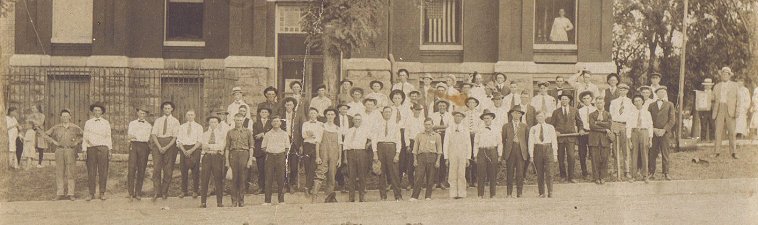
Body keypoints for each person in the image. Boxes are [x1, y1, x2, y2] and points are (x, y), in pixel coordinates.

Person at [42, 109, 83, 200]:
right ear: (60, 117)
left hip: (70, 151)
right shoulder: (56, 127)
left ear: (70, 117)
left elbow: (83, 136)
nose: (65, 118)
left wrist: (77, 142)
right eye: (63, 116)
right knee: (59, 172)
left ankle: (71, 193)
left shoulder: (75, 127)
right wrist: (53, 142)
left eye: (66, 116)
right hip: (59, 151)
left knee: (70, 172)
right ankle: (60, 193)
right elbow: (45, 135)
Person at [150, 101, 181, 201]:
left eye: (169, 108)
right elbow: (154, 134)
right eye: (165, 108)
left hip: (170, 145)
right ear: (163, 109)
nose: (167, 110)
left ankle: (164, 192)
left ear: (172, 109)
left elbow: (175, 137)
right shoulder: (158, 121)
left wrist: (166, 147)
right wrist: (159, 146)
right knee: (156, 169)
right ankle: (156, 192)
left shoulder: (176, 121)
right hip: (158, 144)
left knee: (168, 170)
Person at [83, 103, 113, 201]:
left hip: (103, 148)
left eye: (99, 110)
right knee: (91, 171)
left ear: (102, 112)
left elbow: (108, 137)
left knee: (103, 171)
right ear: (92, 112)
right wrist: (84, 150)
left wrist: (110, 150)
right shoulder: (88, 123)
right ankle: (91, 193)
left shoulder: (106, 123)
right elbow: (85, 137)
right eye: (95, 110)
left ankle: (102, 192)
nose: (97, 112)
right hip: (91, 149)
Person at [373, 106, 403, 201]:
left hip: (391, 148)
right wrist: (375, 153)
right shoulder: (377, 124)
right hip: (380, 147)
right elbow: (374, 140)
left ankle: (397, 195)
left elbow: (398, 140)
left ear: (391, 113)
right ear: (382, 113)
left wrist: (397, 154)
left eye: (389, 112)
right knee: (381, 172)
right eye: (385, 112)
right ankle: (383, 196)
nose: (387, 114)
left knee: (394, 172)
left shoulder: (395, 125)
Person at [550, 93, 581, 183]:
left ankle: (571, 177)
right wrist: (555, 131)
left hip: (571, 137)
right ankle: (563, 176)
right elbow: (552, 125)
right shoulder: (556, 112)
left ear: (569, 100)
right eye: (562, 99)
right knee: (560, 157)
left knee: (571, 156)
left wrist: (581, 129)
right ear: (560, 100)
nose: (564, 101)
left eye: (566, 99)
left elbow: (579, 122)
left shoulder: (574, 110)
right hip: (560, 138)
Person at [226, 113, 255, 207]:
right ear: (234, 121)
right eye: (237, 120)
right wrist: (227, 161)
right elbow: (227, 148)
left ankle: (241, 200)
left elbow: (251, 147)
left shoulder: (248, 132)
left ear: (243, 121)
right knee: (234, 179)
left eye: (240, 120)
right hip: (233, 154)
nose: (238, 122)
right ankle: (234, 201)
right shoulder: (230, 132)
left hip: (244, 154)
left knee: (242, 178)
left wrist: (250, 159)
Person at [410, 118, 443, 201]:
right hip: (421, 157)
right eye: (426, 124)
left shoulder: (437, 136)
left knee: (430, 177)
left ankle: (428, 196)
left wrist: (438, 160)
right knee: (418, 176)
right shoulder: (419, 135)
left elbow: (439, 150)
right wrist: (415, 160)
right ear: (424, 125)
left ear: (432, 125)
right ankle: (414, 196)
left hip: (432, 157)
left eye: (429, 124)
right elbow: (415, 149)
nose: (427, 126)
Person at [712, 67, 740, 159]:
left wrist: (737, 111)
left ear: (729, 75)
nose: (724, 76)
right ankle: (716, 152)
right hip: (719, 108)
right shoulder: (716, 86)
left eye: (726, 74)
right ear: (721, 75)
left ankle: (734, 152)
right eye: (723, 74)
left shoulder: (735, 85)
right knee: (718, 131)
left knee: (732, 132)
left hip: (730, 110)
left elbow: (738, 100)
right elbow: (712, 100)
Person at [199, 116, 227, 208]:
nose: (213, 124)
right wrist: (214, 146)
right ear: (209, 123)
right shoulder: (204, 134)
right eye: (211, 122)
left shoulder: (222, 134)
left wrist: (210, 147)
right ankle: (203, 202)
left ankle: (219, 202)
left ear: (218, 123)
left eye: (215, 122)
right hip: (207, 158)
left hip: (217, 158)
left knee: (218, 179)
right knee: (204, 179)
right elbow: (203, 146)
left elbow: (221, 147)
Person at [261, 116, 290, 205]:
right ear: (271, 123)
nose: (276, 123)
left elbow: (287, 147)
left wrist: (279, 153)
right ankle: (267, 201)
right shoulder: (267, 134)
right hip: (270, 157)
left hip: (280, 157)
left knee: (281, 179)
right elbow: (263, 147)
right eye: (274, 121)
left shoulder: (285, 134)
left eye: (277, 121)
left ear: (280, 123)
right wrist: (271, 152)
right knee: (268, 179)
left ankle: (281, 200)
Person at [343, 114, 372, 202]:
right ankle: (351, 197)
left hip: (362, 153)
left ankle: (361, 197)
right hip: (351, 153)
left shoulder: (365, 130)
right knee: (352, 176)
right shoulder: (349, 131)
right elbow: (345, 145)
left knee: (362, 175)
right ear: (353, 121)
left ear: (361, 121)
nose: (357, 121)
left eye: (359, 120)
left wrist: (368, 143)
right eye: (355, 120)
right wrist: (345, 158)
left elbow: (374, 137)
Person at [443, 111, 472, 199]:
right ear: (453, 117)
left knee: (461, 173)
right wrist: (446, 157)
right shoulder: (449, 129)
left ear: (462, 118)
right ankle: (453, 193)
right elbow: (446, 143)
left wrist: (468, 157)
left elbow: (468, 143)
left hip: (462, 153)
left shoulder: (465, 129)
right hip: (452, 153)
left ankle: (462, 193)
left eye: (460, 116)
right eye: (456, 116)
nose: (458, 118)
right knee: (452, 173)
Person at [649, 87, 675, 181]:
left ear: (665, 93)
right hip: (654, 133)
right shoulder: (651, 105)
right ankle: (651, 172)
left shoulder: (669, 104)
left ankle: (666, 173)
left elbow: (672, 120)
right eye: (659, 92)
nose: (661, 93)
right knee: (652, 153)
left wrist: (664, 130)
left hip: (665, 133)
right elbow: (648, 119)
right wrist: (654, 129)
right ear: (656, 93)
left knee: (665, 153)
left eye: (663, 92)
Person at [529, 112, 558, 198]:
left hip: (548, 149)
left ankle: (550, 191)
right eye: (538, 116)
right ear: (536, 118)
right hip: (538, 149)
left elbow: (554, 140)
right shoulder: (533, 128)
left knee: (549, 172)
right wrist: (531, 155)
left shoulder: (550, 127)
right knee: (539, 172)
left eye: (542, 116)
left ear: (545, 117)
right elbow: (530, 142)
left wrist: (555, 154)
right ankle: (541, 192)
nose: (540, 118)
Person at [474, 110, 502, 198]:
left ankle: (493, 194)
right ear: (483, 119)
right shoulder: (479, 129)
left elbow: (500, 143)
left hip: (492, 151)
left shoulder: (496, 129)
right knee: (481, 173)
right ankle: (480, 194)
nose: (486, 120)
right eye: (485, 118)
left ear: (492, 118)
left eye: (488, 118)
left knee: (492, 173)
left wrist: (499, 155)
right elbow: (476, 143)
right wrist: (475, 155)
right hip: (482, 152)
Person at [127, 105, 152, 201]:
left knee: (142, 169)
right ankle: (130, 192)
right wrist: (134, 137)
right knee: (131, 169)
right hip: (134, 145)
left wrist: (136, 136)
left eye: (144, 113)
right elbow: (130, 136)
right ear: (137, 113)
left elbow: (147, 138)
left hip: (144, 146)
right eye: (140, 113)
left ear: (146, 115)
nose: (142, 115)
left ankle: (138, 192)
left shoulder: (149, 125)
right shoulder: (132, 123)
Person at [176, 110, 203, 199]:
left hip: (194, 149)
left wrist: (191, 150)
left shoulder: (199, 127)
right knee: (184, 171)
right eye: (188, 115)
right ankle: (184, 191)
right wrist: (184, 151)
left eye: (192, 115)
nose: (190, 116)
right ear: (186, 116)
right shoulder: (182, 127)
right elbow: (179, 140)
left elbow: (199, 141)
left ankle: (195, 191)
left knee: (195, 171)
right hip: (184, 148)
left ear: (194, 116)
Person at [502, 106, 528, 198]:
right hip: (510, 151)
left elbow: (527, 140)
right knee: (510, 172)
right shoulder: (506, 126)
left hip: (521, 152)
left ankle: (519, 193)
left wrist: (527, 154)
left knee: (520, 173)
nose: (516, 115)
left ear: (521, 115)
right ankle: (509, 193)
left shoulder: (524, 126)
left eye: (518, 113)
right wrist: (504, 154)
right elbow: (503, 140)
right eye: (515, 113)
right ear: (511, 114)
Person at [627, 95, 653, 183]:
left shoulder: (647, 113)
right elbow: (628, 126)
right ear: (634, 103)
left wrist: (650, 139)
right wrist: (629, 140)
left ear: (642, 101)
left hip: (644, 133)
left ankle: (645, 176)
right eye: (635, 101)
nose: (637, 102)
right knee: (634, 155)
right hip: (634, 133)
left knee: (644, 154)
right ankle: (634, 175)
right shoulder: (631, 113)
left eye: (639, 100)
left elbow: (650, 126)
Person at [610, 84, 634, 180]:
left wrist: (628, 128)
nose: (622, 91)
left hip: (625, 125)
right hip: (616, 124)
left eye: (624, 90)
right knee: (616, 149)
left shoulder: (630, 102)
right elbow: (611, 115)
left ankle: (626, 170)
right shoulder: (614, 102)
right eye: (620, 90)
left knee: (626, 150)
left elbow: (631, 116)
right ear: (618, 91)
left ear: (627, 91)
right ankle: (616, 170)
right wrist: (613, 126)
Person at [318, 109, 342, 203]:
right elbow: (318, 142)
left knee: (332, 174)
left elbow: (340, 144)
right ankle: (317, 195)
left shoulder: (337, 128)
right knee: (321, 172)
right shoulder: (322, 127)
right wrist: (318, 156)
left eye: (332, 114)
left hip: (334, 153)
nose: (330, 116)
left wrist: (340, 158)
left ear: (335, 116)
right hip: (324, 152)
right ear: (326, 116)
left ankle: (329, 195)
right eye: (328, 114)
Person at [589, 96, 613, 184]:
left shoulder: (608, 114)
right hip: (594, 139)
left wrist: (598, 122)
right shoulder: (591, 114)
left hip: (605, 139)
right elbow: (592, 126)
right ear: (595, 104)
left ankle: (603, 177)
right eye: (598, 103)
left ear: (604, 103)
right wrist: (604, 129)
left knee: (604, 158)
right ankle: (596, 178)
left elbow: (609, 125)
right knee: (595, 159)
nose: (599, 104)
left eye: (601, 102)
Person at [429, 100, 452, 189]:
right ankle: (435, 181)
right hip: (435, 137)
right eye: (440, 106)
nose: (442, 107)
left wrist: (438, 127)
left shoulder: (449, 116)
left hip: (445, 138)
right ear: (437, 107)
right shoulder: (433, 115)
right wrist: (444, 127)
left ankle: (442, 181)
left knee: (443, 158)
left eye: (443, 106)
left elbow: (450, 127)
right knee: (435, 158)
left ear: (446, 107)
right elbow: (432, 127)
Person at [282, 97, 304, 193]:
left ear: (294, 106)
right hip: (283, 142)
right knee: (284, 165)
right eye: (287, 105)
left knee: (294, 165)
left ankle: (292, 184)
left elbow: (301, 130)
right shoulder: (281, 115)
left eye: (290, 104)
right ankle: (285, 184)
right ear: (284, 105)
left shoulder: (298, 115)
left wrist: (301, 145)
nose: (289, 106)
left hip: (295, 142)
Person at [302, 108, 324, 196]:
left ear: (317, 114)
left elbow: (320, 136)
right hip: (307, 146)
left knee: (312, 167)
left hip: (316, 146)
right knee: (307, 167)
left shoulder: (321, 124)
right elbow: (304, 135)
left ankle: (307, 187)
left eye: (314, 113)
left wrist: (311, 134)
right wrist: (310, 134)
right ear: (309, 115)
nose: (312, 115)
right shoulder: (305, 123)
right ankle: (309, 187)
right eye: (311, 113)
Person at [403, 104, 425, 190]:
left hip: (421, 143)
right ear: (413, 110)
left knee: (421, 164)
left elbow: (425, 132)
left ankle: (419, 184)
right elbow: (406, 133)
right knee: (411, 164)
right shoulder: (409, 120)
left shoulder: (423, 119)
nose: (418, 111)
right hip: (412, 142)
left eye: (419, 110)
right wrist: (408, 145)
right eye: (416, 110)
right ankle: (411, 183)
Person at [251, 108, 273, 195]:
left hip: (269, 148)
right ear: (260, 114)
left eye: (266, 112)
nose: (264, 113)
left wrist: (262, 134)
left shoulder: (271, 123)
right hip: (259, 149)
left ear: (268, 114)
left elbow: (271, 134)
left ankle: (268, 188)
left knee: (269, 169)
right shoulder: (256, 124)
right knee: (261, 169)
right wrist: (264, 133)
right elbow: (255, 136)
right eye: (262, 112)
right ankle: (261, 187)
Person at [576, 91, 596, 180]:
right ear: (582, 100)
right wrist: (580, 129)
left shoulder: (595, 109)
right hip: (583, 133)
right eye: (584, 99)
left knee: (593, 153)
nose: (586, 100)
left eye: (588, 98)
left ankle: (595, 171)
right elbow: (578, 122)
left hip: (593, 133)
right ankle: (585, 172)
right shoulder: (579, 111)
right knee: (582, 153)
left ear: (591, 99)